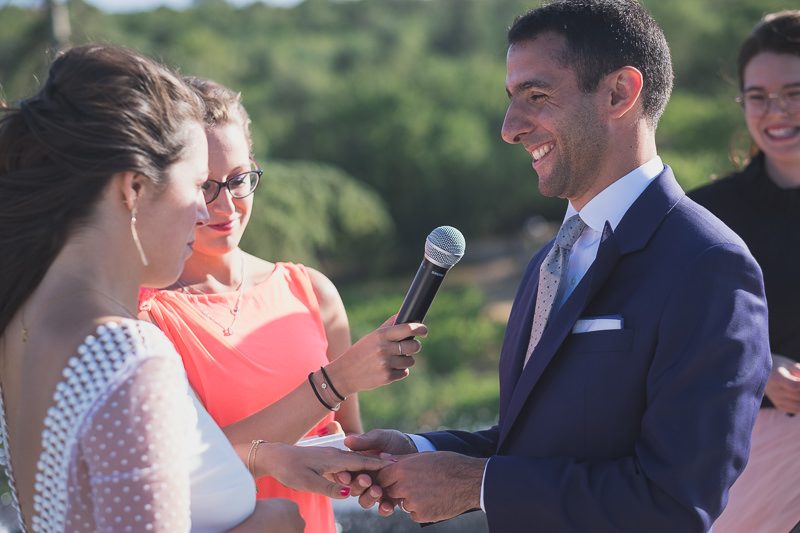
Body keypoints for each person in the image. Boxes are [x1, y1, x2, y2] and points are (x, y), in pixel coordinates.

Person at [344, 1, 772, 531]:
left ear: (619, 93)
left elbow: (677, 503)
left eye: (537, 96)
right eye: (511, 99)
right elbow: (535, 442)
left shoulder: (709, 265)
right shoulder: (549, 262)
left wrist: (474, 484)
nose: (509, 128)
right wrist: (419, 449)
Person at [0, 44, 393, 532]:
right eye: (196, 185)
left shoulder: (22, 320)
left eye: (237, 180)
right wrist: (273, 524)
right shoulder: (127, 351)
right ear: (133, 189)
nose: (211, 210)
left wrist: (271, 461)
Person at [138, 76, 425, 533]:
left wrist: (373, 464)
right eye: (204, 186)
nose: (226, 204)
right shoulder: (145, 314)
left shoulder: (311, 291)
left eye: (238, 180)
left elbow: (343, 440)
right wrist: (339, 378)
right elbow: (185, 467)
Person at [688, 11, 800, 533]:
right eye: (758, 95)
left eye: (794, 92)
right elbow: (676, 340)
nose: (775, 111)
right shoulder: (708, 216)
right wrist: (759, 368)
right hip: (749, 460)